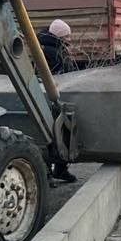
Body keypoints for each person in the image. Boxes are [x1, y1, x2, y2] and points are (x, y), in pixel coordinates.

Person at [38, 19, 78, 183]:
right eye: (67, 36)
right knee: (56, 135)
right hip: (53, 96)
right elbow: (59, 74)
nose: (69, 39)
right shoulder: (51, 51)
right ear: (60, 36)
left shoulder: (53, 48)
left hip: (54, 94)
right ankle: (51, 172)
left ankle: (57, 170)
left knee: (57, 134)